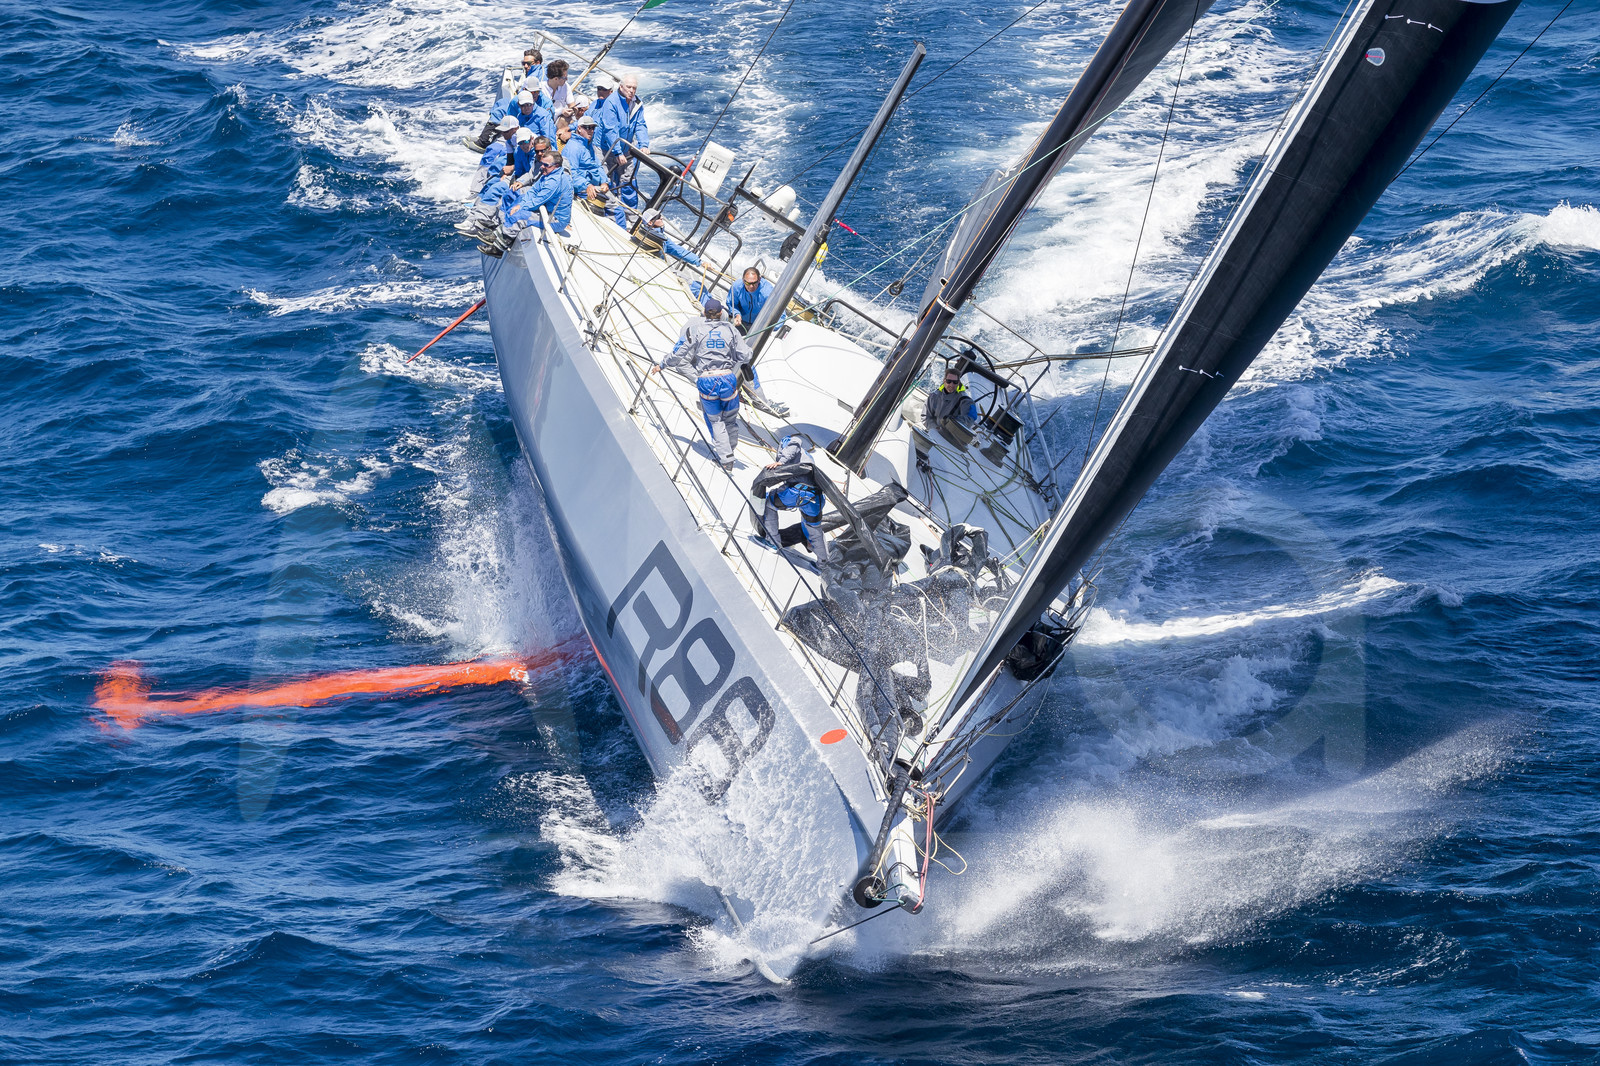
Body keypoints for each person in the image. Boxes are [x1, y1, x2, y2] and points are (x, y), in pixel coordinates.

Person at [656, 297, 752, 468]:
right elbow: (745, 355)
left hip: (707, 381)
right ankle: (730, 450)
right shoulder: (731, 330)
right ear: (721, 313)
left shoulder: (694, 330)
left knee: (716, 421)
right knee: (730, 419)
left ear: (704, 313)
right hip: (728, 379)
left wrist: (662, 365)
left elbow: (677, 355)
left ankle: (727, 460)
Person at [760, 433, 829, 562]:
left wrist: (780, 462)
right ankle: (824, 562)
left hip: (797, 493)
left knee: (769, 503)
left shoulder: (789, 441)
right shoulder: (807, 457)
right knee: (814, 528)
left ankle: (773, 542)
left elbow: (795, 443)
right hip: (816, 498)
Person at [595, 74, 649, 226]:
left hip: (626, 148)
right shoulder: (611, 102)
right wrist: (618, 152)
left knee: (628, 181)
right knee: (607, 181)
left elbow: (640, 125)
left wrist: (644, 144)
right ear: (621, 87)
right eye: (629, 87)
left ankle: (631, 217)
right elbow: (610, 129)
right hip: (605, 148)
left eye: (634, 88)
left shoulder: (637, 104)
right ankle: (611, 215)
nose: (632, 90)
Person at [495, 149, 573, 249]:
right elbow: (533, 191)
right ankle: (500, 230)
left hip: (556, 220)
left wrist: (521, 207)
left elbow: (538, 201)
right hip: (548, 211)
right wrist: (520, 204)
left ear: (556, 166)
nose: (542, 167)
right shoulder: (548, 174)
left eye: (546, 165)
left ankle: (499, 246)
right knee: (519, 200)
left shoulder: (555, 181)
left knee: (520, 216)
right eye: (542, 163)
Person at [456, 161, 517, 236]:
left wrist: (512, 168)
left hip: (522, 177)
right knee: (491, 185)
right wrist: (507, 172)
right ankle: (473, 220)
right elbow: (511, 158)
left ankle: (495, 230)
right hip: (516, 171)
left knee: (501, 191)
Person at [561, 113, 608, 201]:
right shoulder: (572, 148)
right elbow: (571, 174)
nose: (591, 130)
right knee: (616, 209)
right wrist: (587, 185)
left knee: (616, 206)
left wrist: (604, 181)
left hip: (595, 187)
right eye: (587, 127)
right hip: (582, 191)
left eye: (593, 128)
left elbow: (598, 165)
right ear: (579, 128)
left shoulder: (588, 146)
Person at [469, 116, 519, 194]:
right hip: (515, 165)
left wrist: (512, 168)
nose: (502, 134)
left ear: (516, 129)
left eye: (505, 131)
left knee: (500, 165)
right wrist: (506, 172)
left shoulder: (522, 141)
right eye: (501, 131)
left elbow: (528, 161)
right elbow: (510, 161)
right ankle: (477, 192)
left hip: (523, 172)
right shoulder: (509, 140)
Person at [726, 267, 776, 334]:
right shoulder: (736, 286)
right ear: (743, 280)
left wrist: (768, 328)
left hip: (758, 327)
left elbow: (779, 313)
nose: (751, 286)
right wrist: (737, 314)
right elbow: (732, 304)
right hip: (740, 322)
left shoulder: (767, 292)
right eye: (748, 283)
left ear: (759, 279)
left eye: (754, 283)